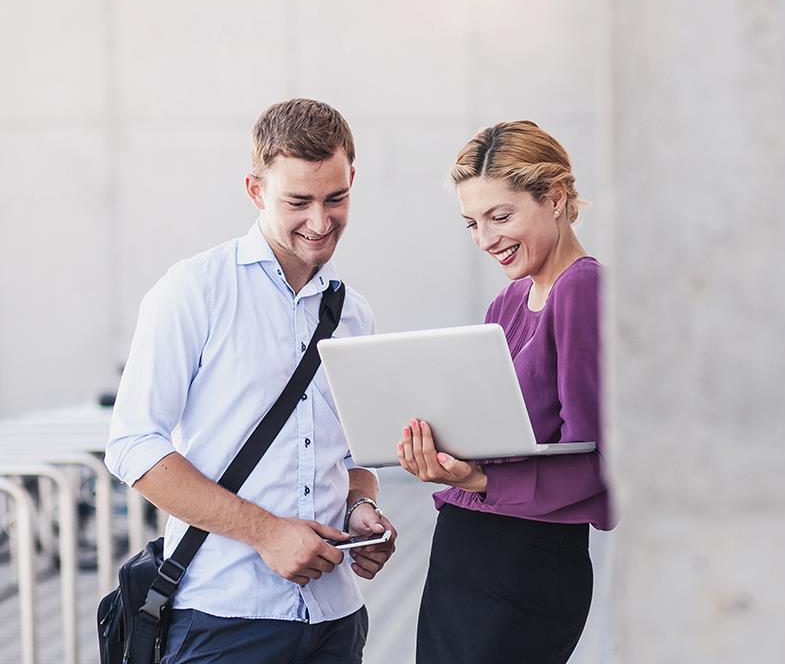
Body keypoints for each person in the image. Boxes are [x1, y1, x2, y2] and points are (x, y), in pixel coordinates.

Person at [105, 98, 397, 664]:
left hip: (336, 618)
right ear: (255, 189)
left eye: (335, 198)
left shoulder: (354, 313)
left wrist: (361, 509)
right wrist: (266, 532)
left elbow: (356, 454)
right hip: (222, 618)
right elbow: (133, 445)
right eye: (298, 201)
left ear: (353, 179)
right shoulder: (194, 291)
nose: (320, 221)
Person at [397, 120, 612, 664]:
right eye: (472, 222)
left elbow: (599, 462)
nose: (486, 239)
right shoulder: (508, 304)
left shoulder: (582, 289)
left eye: (501, 216)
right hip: (467, 550)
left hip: (524, 564)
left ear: (556, 198)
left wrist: (478, 477)